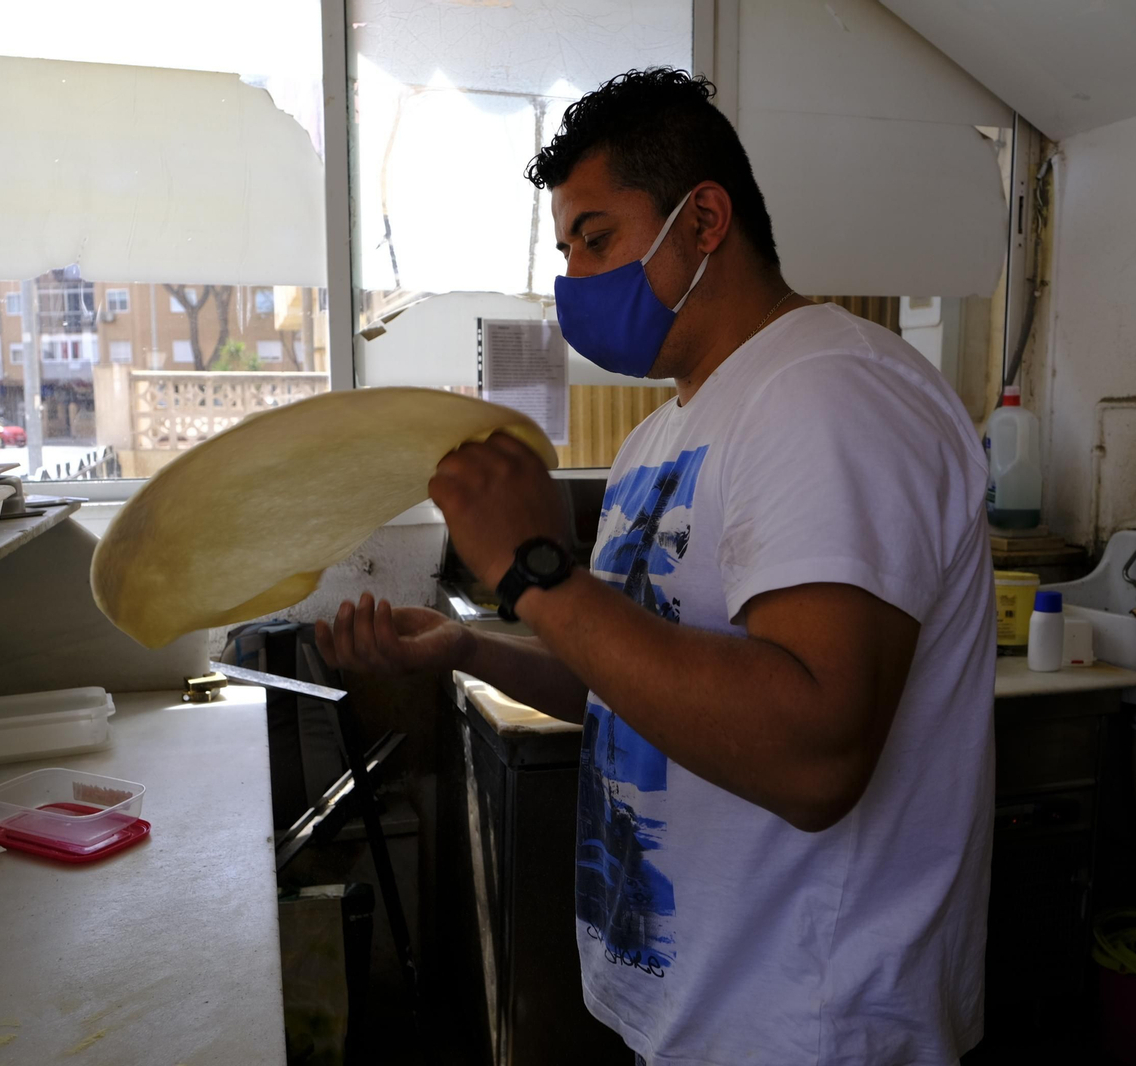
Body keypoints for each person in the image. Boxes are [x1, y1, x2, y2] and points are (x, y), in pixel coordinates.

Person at [316, 68, 995, 1065]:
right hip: (694, 1014)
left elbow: (815, 757)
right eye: (565, 251)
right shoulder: (662, 433)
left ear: (704, 219)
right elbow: (631, 678)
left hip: (812, 1029)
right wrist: (470, 643)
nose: (576, 280)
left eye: (598, 237)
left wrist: (535, 570)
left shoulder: (827, 393)